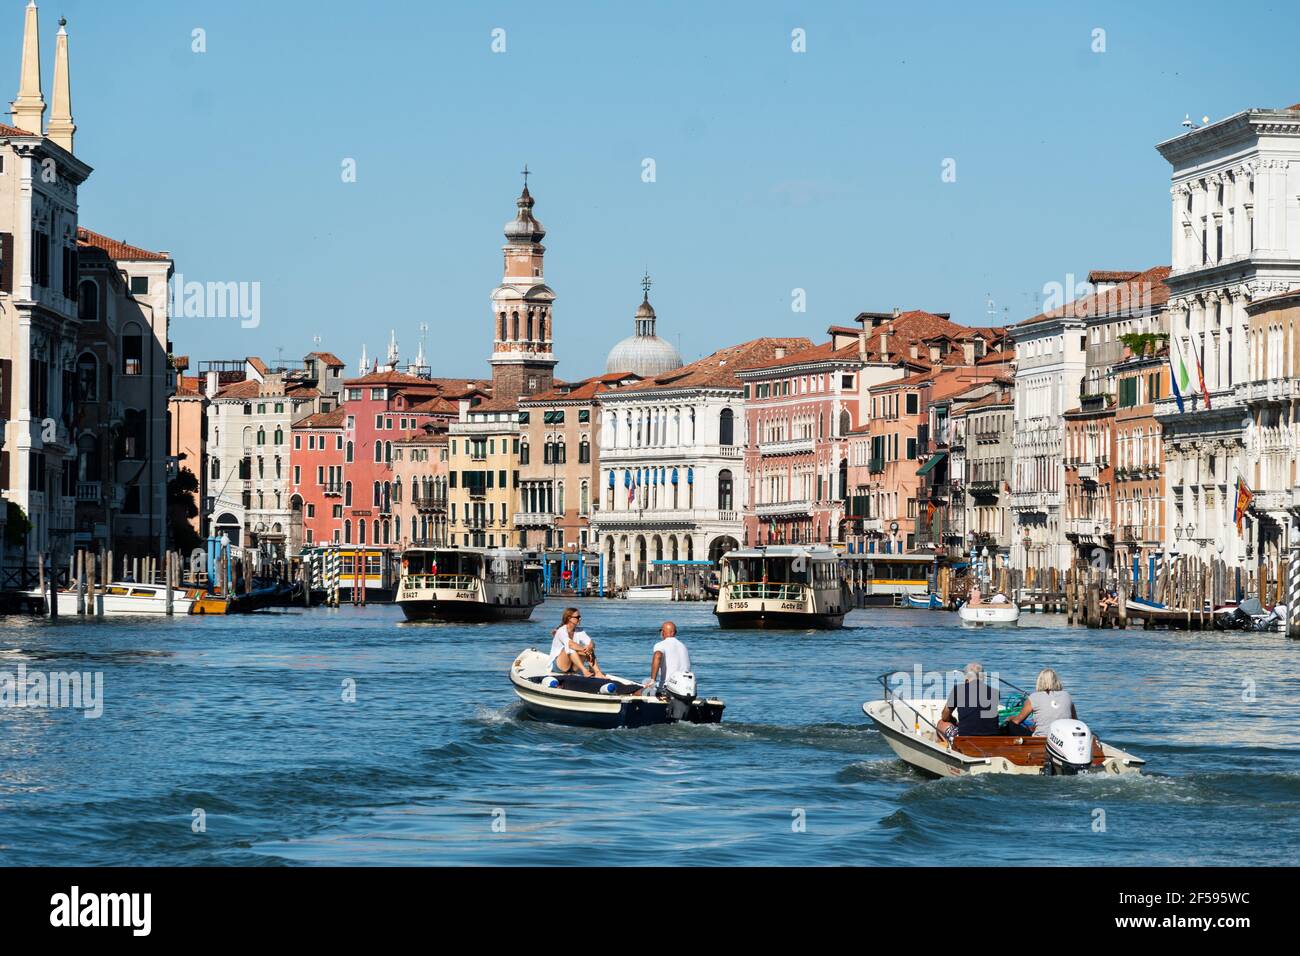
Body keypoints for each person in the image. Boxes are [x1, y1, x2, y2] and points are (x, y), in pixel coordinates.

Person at [936, 663, 1000, 742]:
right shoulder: (995, 692)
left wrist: (953, 720)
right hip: (992, 738)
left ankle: (945, 749)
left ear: (966, 678)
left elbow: (945, 717)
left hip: (965, 740)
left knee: (941, 723)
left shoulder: (958, 690)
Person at [1006, 668, 1076, 737]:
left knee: (1010, 724)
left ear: (1040, 681)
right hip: (1063, 738)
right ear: (1056, 681)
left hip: (1041, 738)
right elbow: (1075, 721)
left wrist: (1011, 718)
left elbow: (1017, 721)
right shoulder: (1067, 696)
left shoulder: (1033, 697)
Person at [548, 607, 604, 677]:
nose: (580, 619)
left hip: (574, 667)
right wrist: (584, 650)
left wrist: (589, 647)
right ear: (569, 618)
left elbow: (591, 642)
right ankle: (585, 671)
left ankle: (598, 672)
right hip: (560, 666)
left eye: (580, 617)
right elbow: (570, 644)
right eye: (577, 617)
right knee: (570, 648)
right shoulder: (561, 631)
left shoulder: (580, 630)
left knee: (589, 649)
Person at [644, 621, 691, 692]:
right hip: (684, 688)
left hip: (667, 688)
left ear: (663, 632)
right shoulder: (683, 646)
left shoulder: (660, 644)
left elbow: (657, 655)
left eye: (661, 631)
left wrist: (652, 681)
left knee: (637, 691)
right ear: (675, 633)